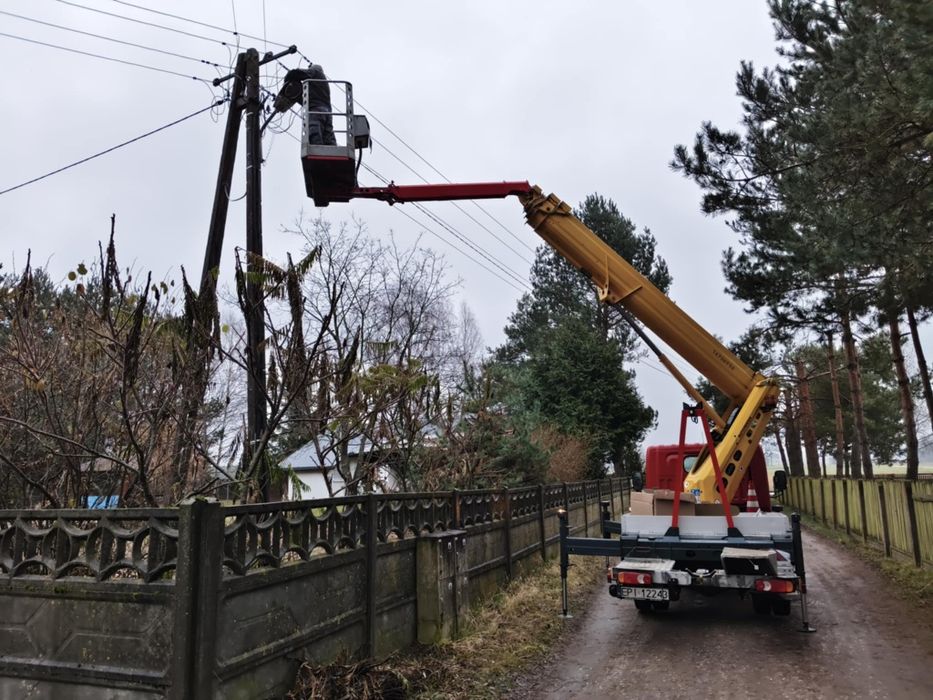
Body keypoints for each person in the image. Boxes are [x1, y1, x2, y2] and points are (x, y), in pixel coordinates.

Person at [273, 64, 336, 145]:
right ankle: (331, 151)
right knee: (328, 136)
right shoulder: (322, 84)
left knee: (314, 132)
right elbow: (306, 100)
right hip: (327, 113)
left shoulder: (315, 72)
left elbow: (296, 73)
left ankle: (316, 151)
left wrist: (287, 81)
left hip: (316, 110)